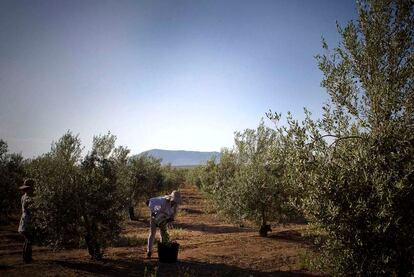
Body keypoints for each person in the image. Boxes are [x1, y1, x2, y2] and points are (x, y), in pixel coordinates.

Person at [146, 190, 182, 258]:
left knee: (163, 233)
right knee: (152, 232)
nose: (174, 202)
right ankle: (149, 251)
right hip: (155, 214)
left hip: (163, 216)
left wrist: (169, 222)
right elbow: (155, 210)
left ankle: (162, 250)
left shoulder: (175, 206)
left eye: (176, 201)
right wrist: (156, 220)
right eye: (174, 200)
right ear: (171, 198)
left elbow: (172, 216)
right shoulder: (162, 202)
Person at [18, 179, 35, 263]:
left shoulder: (23, 196)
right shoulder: (28, 198)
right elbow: (28, 209)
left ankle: (26, 258)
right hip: (27, 221)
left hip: (24, 220)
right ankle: (27, 259)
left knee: (27, 240)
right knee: (28, 240)